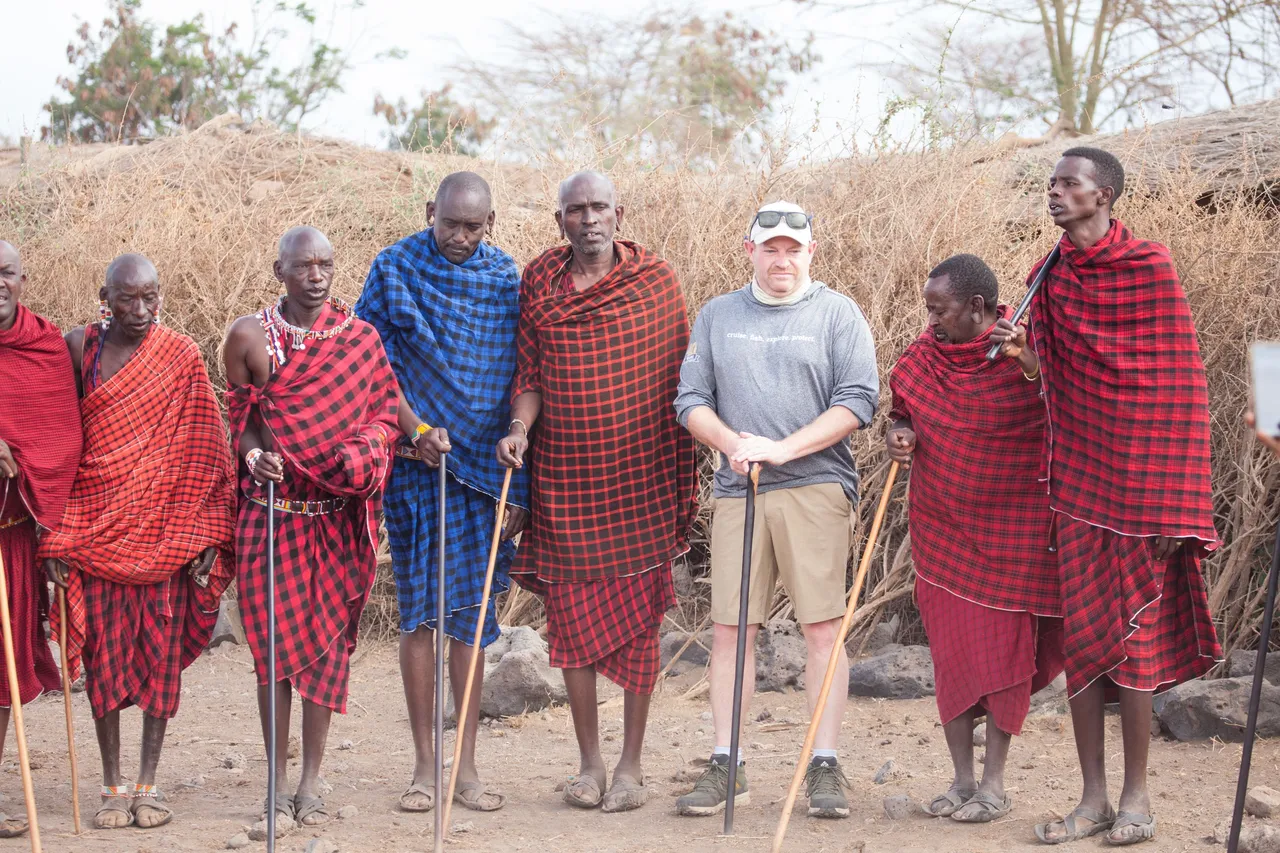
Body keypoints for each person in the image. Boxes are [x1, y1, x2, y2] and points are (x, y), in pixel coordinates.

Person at [991, 148, 1221, 846]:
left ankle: (1137, 797)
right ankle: (1090, 798)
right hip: (1079, 489)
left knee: (1136, 645)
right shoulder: (1049, 275)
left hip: (1144, 495)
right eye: (1051, 184)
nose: (1054, 194)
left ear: (1105, 194)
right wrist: (1022, 354)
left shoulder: (1149, 267)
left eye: (1068, 184)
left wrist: (1176, 506)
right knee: (1087, 644)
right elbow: (1052, 375)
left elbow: (1180, 389)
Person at [496, 171, 697, 813]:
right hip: (564, 482)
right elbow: (528, 371)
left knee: (640, 629)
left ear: (619, 213)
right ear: (560, 221)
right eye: (576, 210)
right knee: (571, 631)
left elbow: (681, 379)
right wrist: (519, 431)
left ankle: (632, 768)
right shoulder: (540, 281)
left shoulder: (655, 281)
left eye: (599, 207)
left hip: (640, 484)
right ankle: (589, 765)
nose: (589, 219)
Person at [673, 201, 879, 819]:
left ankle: (824, 764)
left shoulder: (838, 313)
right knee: (732, 632)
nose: (782, 259)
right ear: (750, 249)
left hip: (816, 486)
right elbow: (690, 401)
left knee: (822, 629)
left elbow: (858, 400)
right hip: (739, 490)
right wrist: (735, 445)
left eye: (793, 248)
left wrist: (783, 449)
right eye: (771, 248)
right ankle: (725, 761)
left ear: (811, 251)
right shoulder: (718, 315)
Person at [39, 253, 236, 830]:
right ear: (106, 297)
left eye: (152, 297)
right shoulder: (80, 349)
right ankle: (111, 787)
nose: (143, 309)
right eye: (129, 299)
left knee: (159, 662)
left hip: (166, 534)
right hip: (94, 530)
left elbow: (205, 446)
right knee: (101, 661)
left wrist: (205, 531)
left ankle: (148, 786)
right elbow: (57, 440)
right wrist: (55, 537)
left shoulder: (179, 356)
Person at [356, 171, 529, 814]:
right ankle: (426, 766)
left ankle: (467, 765)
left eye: (472, 226)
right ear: (430, 211)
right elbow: (369, 362)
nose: (459, 236)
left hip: (485, 470)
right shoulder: (394, 268)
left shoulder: (506, 280)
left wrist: (520, 470)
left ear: (491, 223)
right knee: (421, 614)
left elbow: (521, 372)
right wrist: (417, 429)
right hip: (414, 463)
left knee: (472, 618)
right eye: (448, 222)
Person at [224, 226, 400, 833]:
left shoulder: (361, 340)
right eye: (303, 266)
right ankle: (275, 778)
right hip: (271, 517)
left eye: (326, 264)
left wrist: (385, 446)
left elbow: (385, 414)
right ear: (280, 271)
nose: (317, 275)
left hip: (336, 520)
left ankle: (311, 780)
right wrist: (254, 460)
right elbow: (241, 423)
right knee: (273, 655)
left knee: (327, 654)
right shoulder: (248, 337)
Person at [885, 253, 1064, 824]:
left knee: (1005, 658)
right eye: (929, 310)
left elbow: (1065, 407)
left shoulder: (1023, 354)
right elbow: (901, 411)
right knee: (954, 659)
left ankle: (994, 786)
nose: (931, 321)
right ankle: (961, 780)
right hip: (942, 530)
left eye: (940, 310)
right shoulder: (921, 359)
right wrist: (900, 434)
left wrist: (1030, 363)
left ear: (977, 307)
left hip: (1015, 535)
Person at [0, 240, 82, 839]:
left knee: (3, 669)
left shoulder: (44, 348)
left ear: (23, 278)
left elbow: (62, 443)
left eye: (4, 273)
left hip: (12, 537)